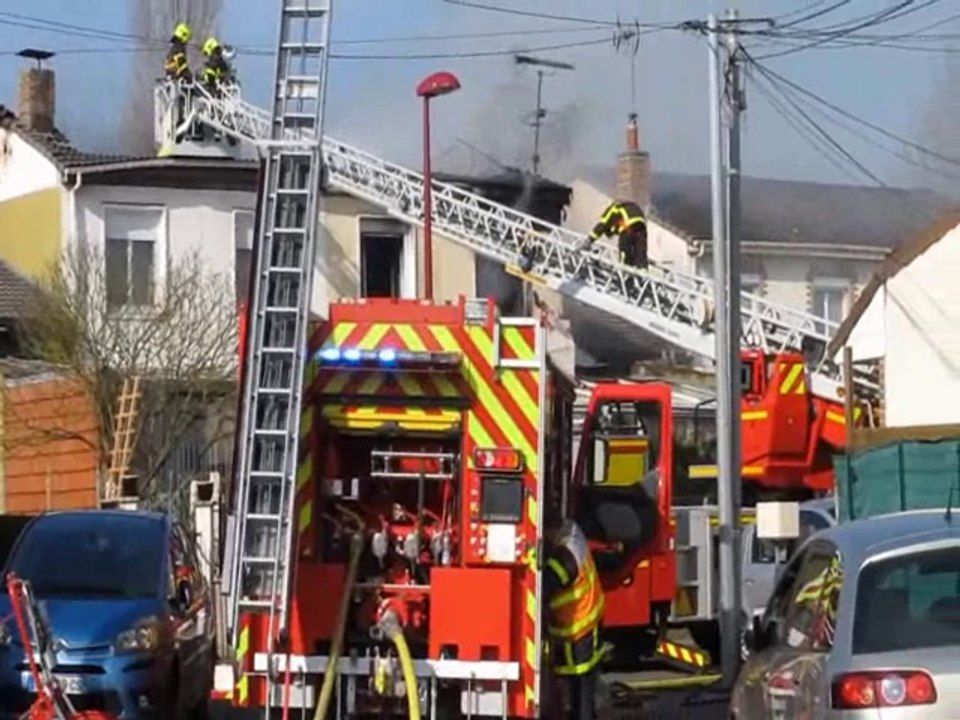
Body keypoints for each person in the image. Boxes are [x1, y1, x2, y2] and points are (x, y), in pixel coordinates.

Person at [543, 518, 606, 720]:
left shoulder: (564, 558)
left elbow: (544, 586)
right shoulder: (572, 534)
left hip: (577, 631)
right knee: (582, 690)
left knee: (580, 692)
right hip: (585, 626)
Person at [581, 199, 649, 269]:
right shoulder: (625, 209)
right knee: (640, 254)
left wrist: (589, 241)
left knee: (624, 251)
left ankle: (624, 272)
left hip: (628, 226)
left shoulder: (612, 210)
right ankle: (641, 270)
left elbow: (601, 226)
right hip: (641, 227)